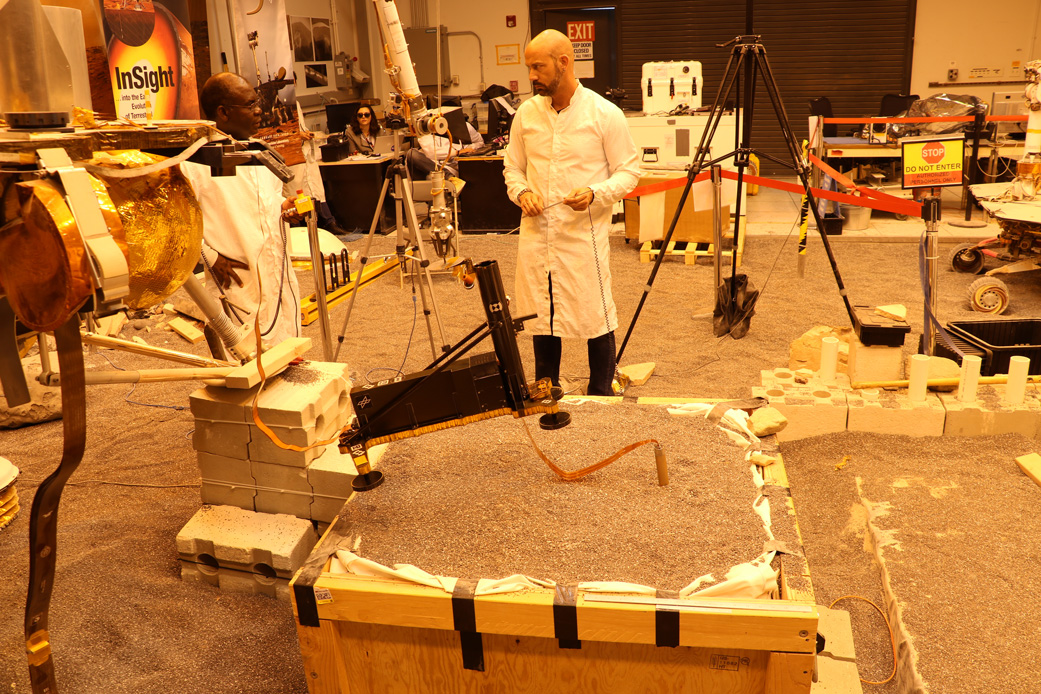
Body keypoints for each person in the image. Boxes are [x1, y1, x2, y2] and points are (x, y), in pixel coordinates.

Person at [503, 29, 640, 396]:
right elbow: (512, 167)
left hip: (583, 237)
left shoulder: (603, 114)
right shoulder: (526, 115)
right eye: (529, 67)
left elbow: (629, 171)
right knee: (540, 312)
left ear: (564, 63)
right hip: (537, 236)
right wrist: (522, 192)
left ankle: (600, 390)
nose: (531, 75)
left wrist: (596, 193)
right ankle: (547, 388)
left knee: (594, 312)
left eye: (538, 67)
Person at [180, 72, 302, 347]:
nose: (260, 110)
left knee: (288, 349)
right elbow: (180, 223)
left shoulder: (260, 152)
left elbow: (265, 205)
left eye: (257, 102)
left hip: (276, 271)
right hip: (238, 279)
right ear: (223, 112)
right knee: (246, 357)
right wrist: (210, 257)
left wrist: (285, 209)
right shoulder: (195, 162)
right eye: (250, 105)